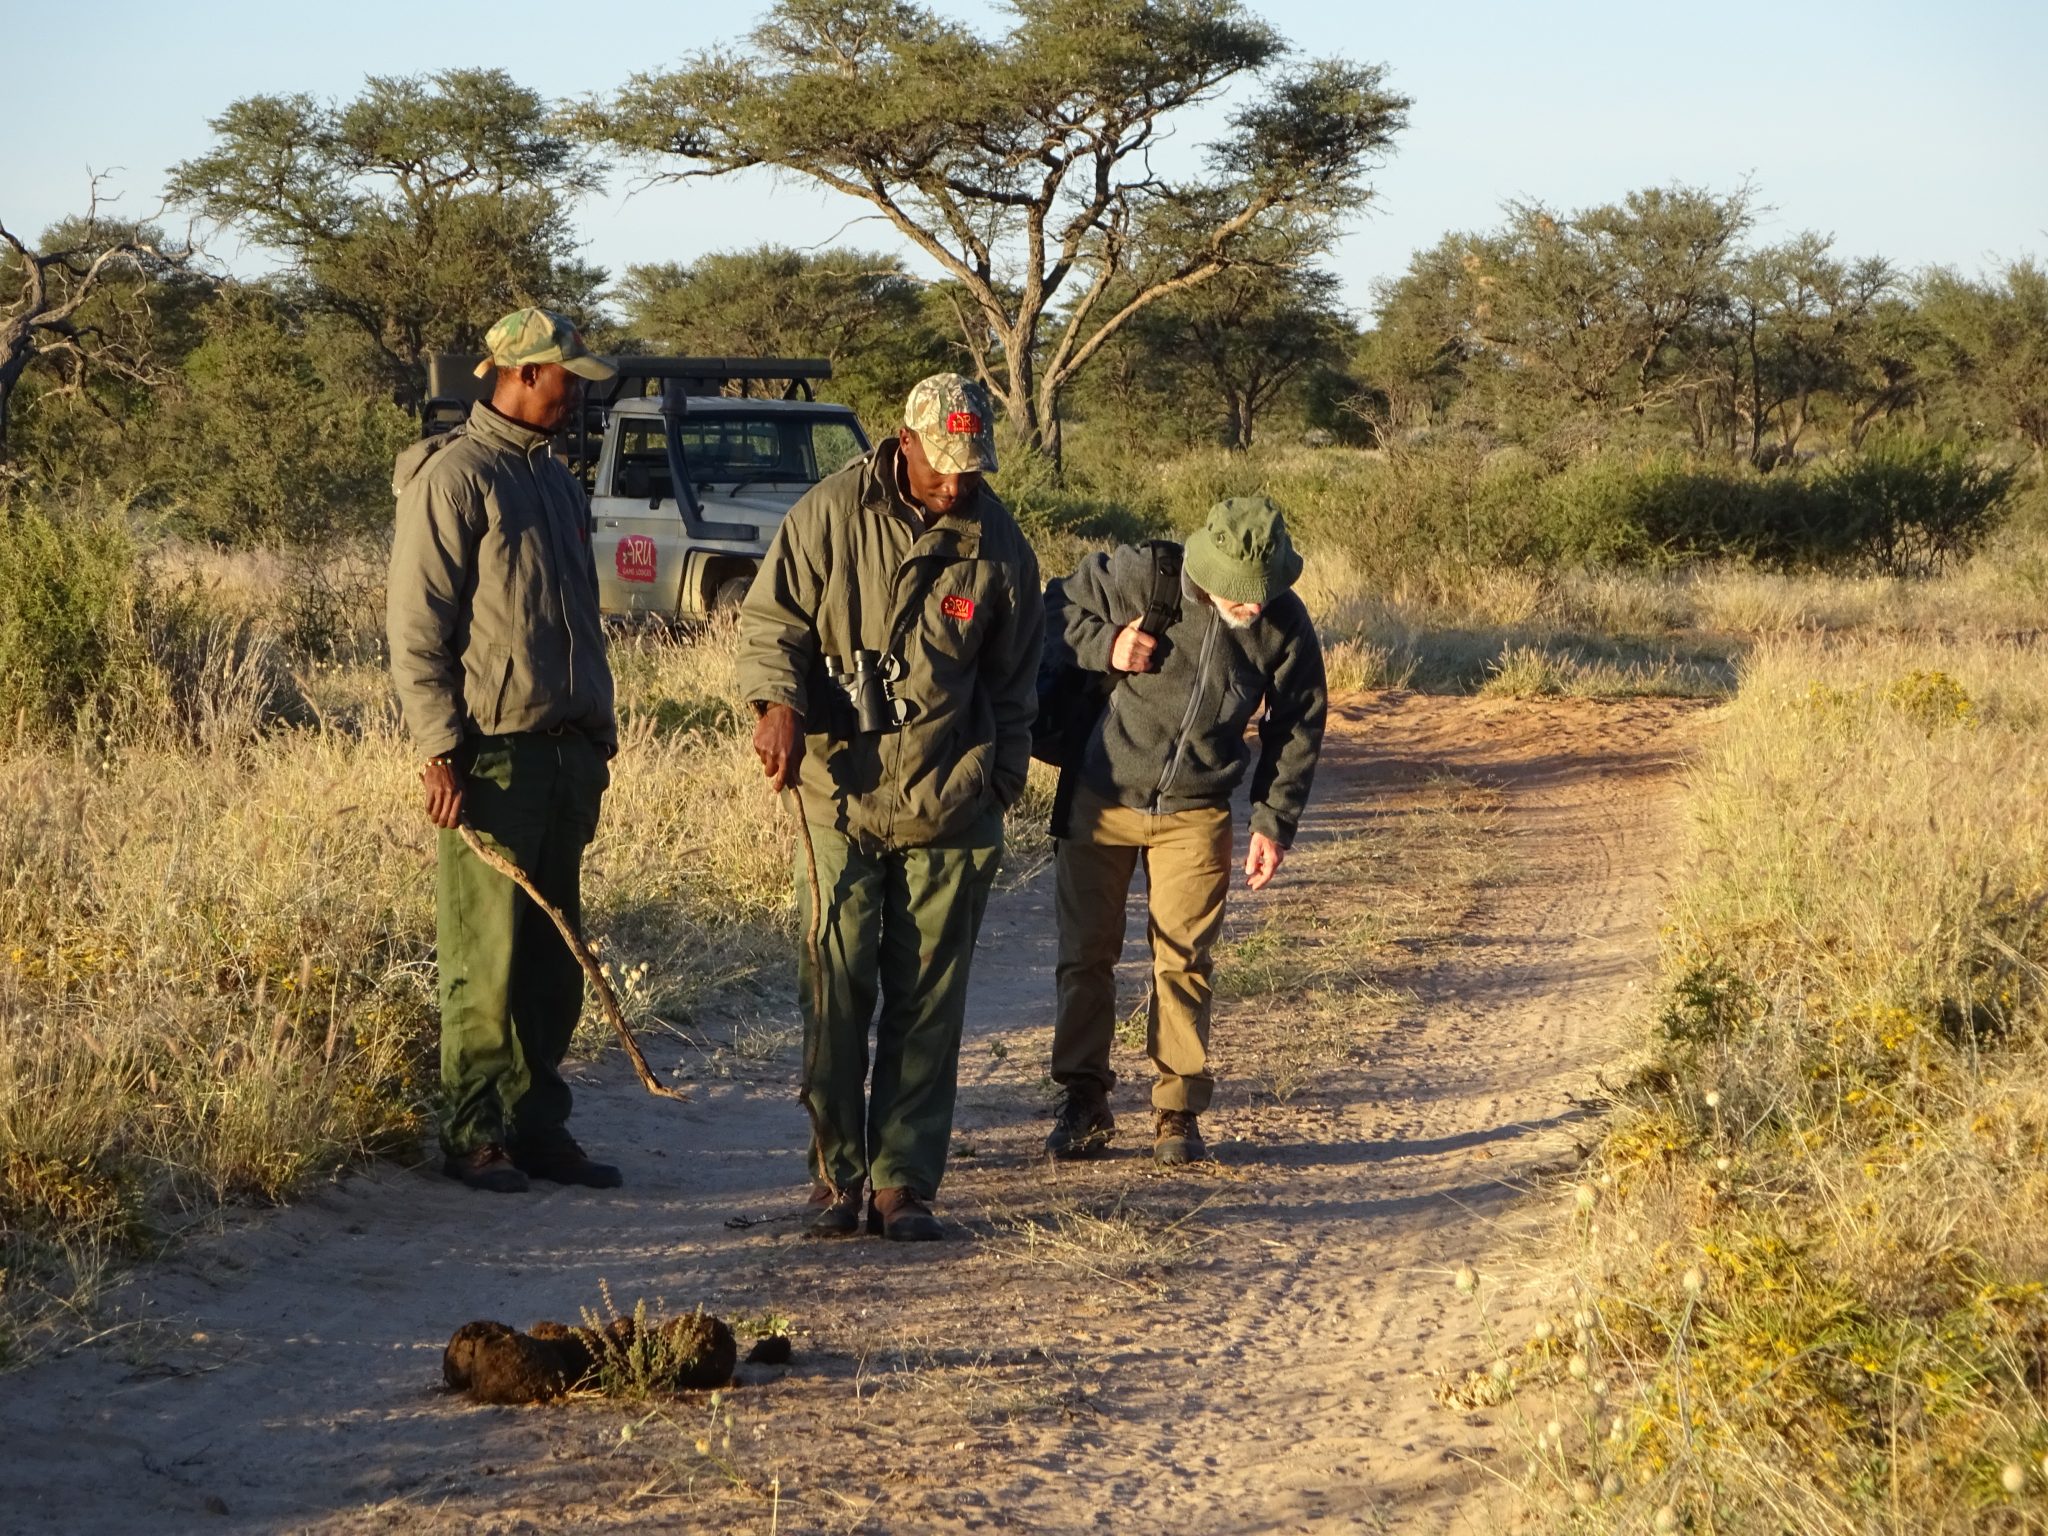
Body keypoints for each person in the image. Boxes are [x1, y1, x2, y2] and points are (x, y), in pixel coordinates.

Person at [738, 374, 1042, 1240]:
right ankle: (836, 1176)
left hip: (952, 798)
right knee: (834, 988)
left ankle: (902, 1181)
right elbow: (771, 628)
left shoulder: (1001, 546)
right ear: (901, 443)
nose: (955, 484)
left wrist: (1002, 782)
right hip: (837, 794)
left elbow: (1016, 681)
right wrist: (776, 706)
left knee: (929, 1002)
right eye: (941, 466)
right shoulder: (828, 514)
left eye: (970, 469)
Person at [387, 307, 622, 1195]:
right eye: (568, 378)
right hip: (490, 757)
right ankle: (473, 1132)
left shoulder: (558, 483)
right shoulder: (454, 478)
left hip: (567, 755)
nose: (577, 394)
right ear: (523, 374)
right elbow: (417, 631)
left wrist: (598, 733)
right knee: (483, 954)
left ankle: (537, 1126)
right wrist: (439, 750)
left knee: (556, 953)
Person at [1044, 497, 1327, 1165]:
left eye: (1263, 592)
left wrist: (1273, 821)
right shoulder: (1147, 574)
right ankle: (1083, 1099)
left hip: (1198, 809)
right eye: (1240, 591)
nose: (1252, 606)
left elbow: (1299, 721)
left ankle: (1178, 1111)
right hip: (1100, 793)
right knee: (1086, 955)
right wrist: (1107, 644)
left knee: (1185, 961)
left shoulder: (1284, 623)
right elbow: (1054, 610)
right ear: (1207, 566)